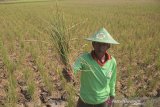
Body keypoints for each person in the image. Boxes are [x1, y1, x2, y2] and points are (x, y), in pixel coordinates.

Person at [63, 27, 119, 107]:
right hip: (85, 100)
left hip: (103, 101)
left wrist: (112, 96)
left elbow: (112, 81)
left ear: (108, 46)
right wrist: (69, 73)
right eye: (98, 43)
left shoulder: (112, 62)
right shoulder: (84, 58)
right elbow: (74, 69)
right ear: (93, 44)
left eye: (104, 44)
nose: (100, 47)